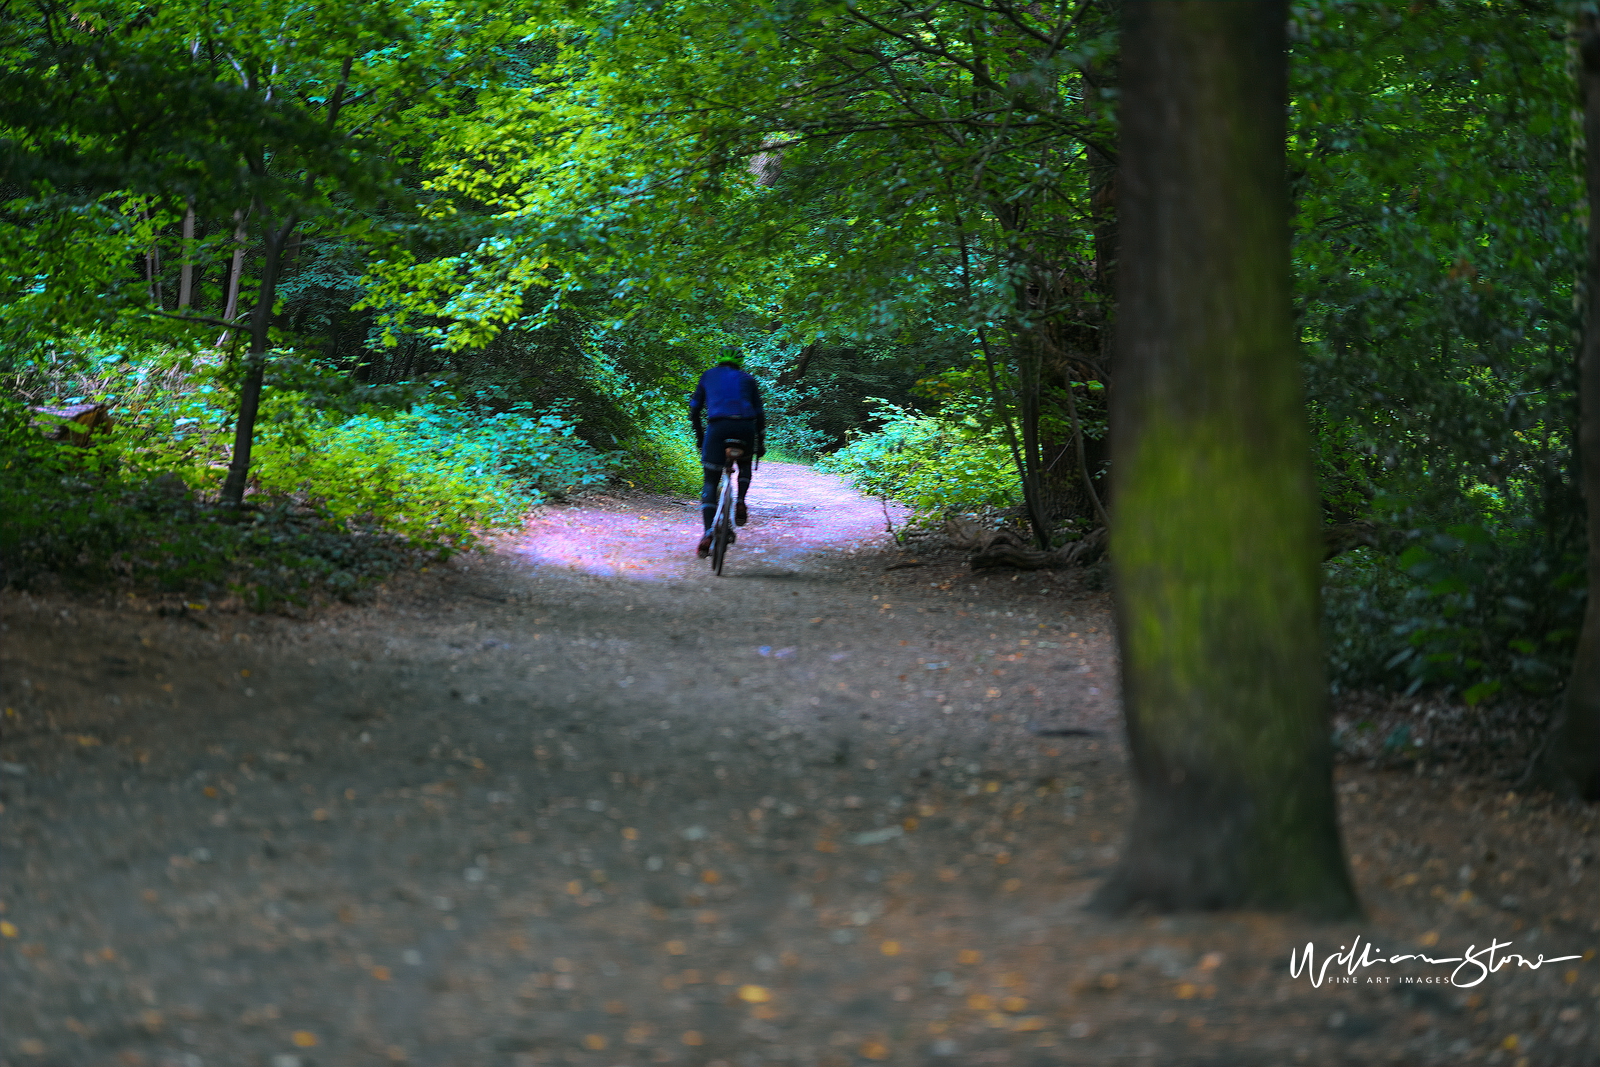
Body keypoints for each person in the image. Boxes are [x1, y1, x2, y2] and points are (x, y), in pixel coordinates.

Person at [689, 354, 765, 557]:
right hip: (745, 427)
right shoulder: (748, 379)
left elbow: (694, 410)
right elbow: (759, 413)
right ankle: (740, 500)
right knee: (745, 462)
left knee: (711, 481)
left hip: (718, 427)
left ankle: (707, 533)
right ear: (738, 363)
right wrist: (761, 442)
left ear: (719, 361)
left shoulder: (708, 375)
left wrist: (700, 437)